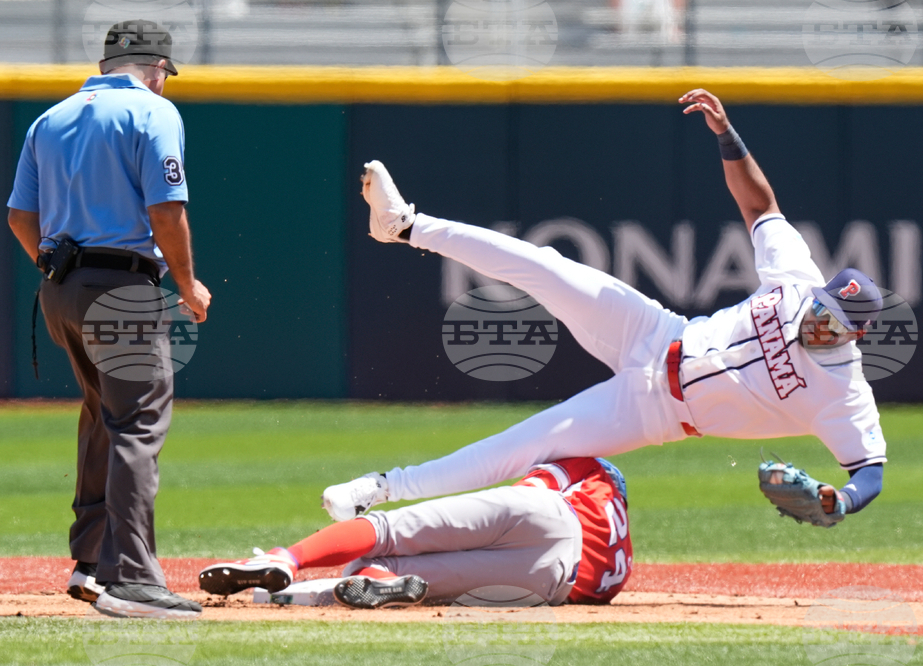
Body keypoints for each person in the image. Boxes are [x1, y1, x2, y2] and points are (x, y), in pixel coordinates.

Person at [323, 88, 886, 527]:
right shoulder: (799, 279)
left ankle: (379, 488)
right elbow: (761, 205)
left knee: (521, 447)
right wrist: (727, 134)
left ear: (853, 336)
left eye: (832, 321)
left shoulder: (843, 394)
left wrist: (842, 501)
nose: (818, 317)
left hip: (656, 412)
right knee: (543, 265)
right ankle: (403, 225)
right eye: (822, 305)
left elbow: (871, 472)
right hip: (655, 330)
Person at [6, 20, 211, 619]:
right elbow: (165, 209)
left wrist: (55, 265)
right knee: (138, 423)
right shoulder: (152, 112)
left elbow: (21, 217)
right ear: (157, 70)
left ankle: (89, 561)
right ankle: (132, 580)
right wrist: (186, 281)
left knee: (102, 414)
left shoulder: (51, 117)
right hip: (123, 285)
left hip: (60, 289)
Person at [198, 457, 632, 608]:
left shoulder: (595, 472)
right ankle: (382, 582)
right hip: (557, 581)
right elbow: (587, 596)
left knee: (388, 530)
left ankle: (283, 558)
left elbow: (531, 494)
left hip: (549, 513)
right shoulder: (624, 563)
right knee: (383, 571)